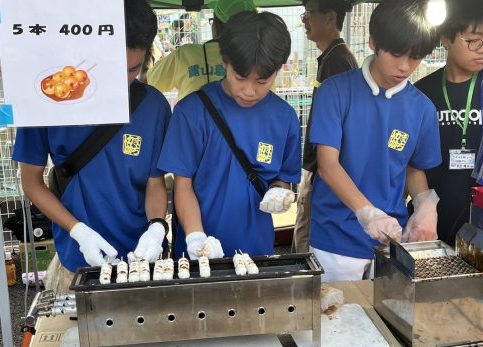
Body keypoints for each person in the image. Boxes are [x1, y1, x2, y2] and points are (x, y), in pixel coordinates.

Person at [12, 0, 171, 291]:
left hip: (139, 259)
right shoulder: (47, 100)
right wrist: (78, 231)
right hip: (76, 259)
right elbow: (31, 182)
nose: (122, 81)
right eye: (112, 69)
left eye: (132, 69)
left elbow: (154, 182)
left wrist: (157, 226)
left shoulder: (153, 107)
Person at [308, 0, 442, 282]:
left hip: (392, 242)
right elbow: (327, 165)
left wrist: (424, 206)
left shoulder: (422, 109)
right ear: (372, 42)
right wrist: (367, 213)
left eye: (415, 57)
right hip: (336, 240)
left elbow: (414, 169)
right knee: (335, 319)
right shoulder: (336, 92)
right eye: (396, 54)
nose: (405, 66)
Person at [157, 11, 301, 260]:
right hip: (196, 254)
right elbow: (183, 185)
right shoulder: (192, 112)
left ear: (278, 69)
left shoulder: (284, 117)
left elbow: (282, 178)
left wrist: (279, 192)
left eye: (262, 81)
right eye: (240, 78)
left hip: (256, 251)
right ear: (225, 62)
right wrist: (195, 238)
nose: (249, 91)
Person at [415, 0, 483, 246]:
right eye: (474, 40)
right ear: (445, 39)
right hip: (434, 214)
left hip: (481, 214)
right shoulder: (422, 93)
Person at [291, 0, 358, 253]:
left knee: (305, 244)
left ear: (330, 16)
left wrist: (321, 169)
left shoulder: (338, 62)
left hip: (322, 169)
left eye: (309, 14)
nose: (304, 20)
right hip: (317, 166)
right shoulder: (332, 58)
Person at [147, 0, 256, 100]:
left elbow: (149, 82)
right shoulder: (261, 62)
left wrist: (150, 50)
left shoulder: (185, 54)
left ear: (216, 27)